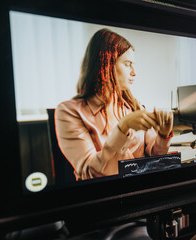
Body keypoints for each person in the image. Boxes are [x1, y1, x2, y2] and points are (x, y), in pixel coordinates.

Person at [55, 28, 173, 180]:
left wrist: (163, 135)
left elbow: (155, 158)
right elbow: (90, 173)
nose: (134, 72)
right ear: (106, 65)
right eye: (128, 64)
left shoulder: (132, 104)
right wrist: (122, 128)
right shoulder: (68, 112)